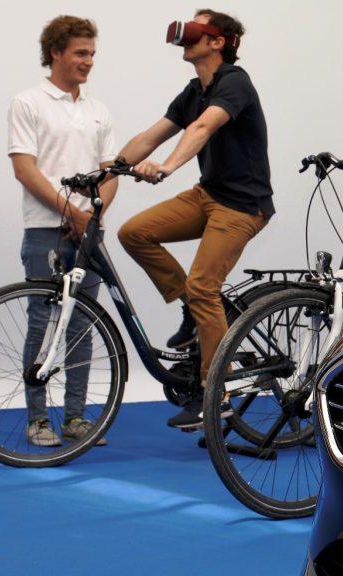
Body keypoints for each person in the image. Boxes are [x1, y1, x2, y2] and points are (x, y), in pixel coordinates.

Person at [116, 8, 274, 429]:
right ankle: (191, 307)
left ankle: (215, 393)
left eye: (196, 29)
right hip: (208, 195)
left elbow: (203, 128)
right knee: (134, 232)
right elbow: (151, 136)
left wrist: (167, 167)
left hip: (243, 204)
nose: (186, 36)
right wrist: (108, 169)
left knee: (205, 286)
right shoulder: (193, 90)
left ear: (217, 41)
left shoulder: (234, 82)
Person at [8, 15, 118, 446]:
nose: (88, 61)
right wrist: (70, 211)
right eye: (80, 53)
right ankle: (37, 420)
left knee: (83, 324)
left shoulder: (98, 110)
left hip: (88, 231)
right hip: (45, 228)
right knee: (41, 321)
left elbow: (110, 172)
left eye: (92, 54)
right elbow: (24, 169)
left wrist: (92, 215)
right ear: (55, 52)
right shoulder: (28, 102)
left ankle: (75, 418)